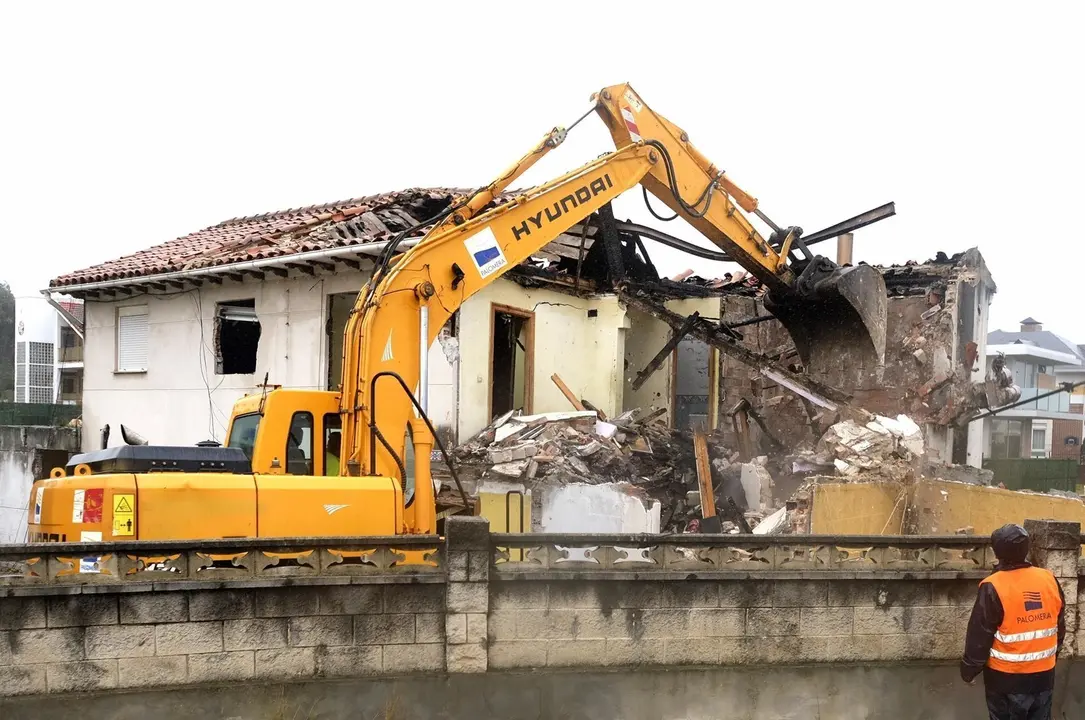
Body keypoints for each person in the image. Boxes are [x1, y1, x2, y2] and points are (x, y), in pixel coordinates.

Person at [960, 524, 1066, 719]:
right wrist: (1050, 657)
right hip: (1044, 676)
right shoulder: (1048, 579)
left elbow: (979, 635)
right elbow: (1059, 627)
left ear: (998, 552)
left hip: (1006, 680)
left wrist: (969, 670)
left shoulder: (994, 586)